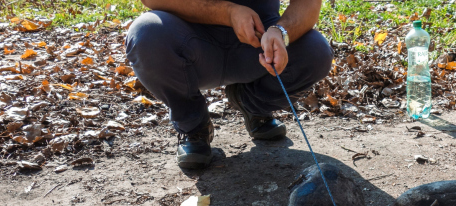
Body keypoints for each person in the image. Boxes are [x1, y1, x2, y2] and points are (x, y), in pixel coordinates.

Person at [126, 0, 333, 169]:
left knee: (316, 52)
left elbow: (309, 3)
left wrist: (281, 31)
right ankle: (193, 126)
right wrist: (228, 13)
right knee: (146, 33)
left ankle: (251, 103)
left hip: (257, 42)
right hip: (188, 39)